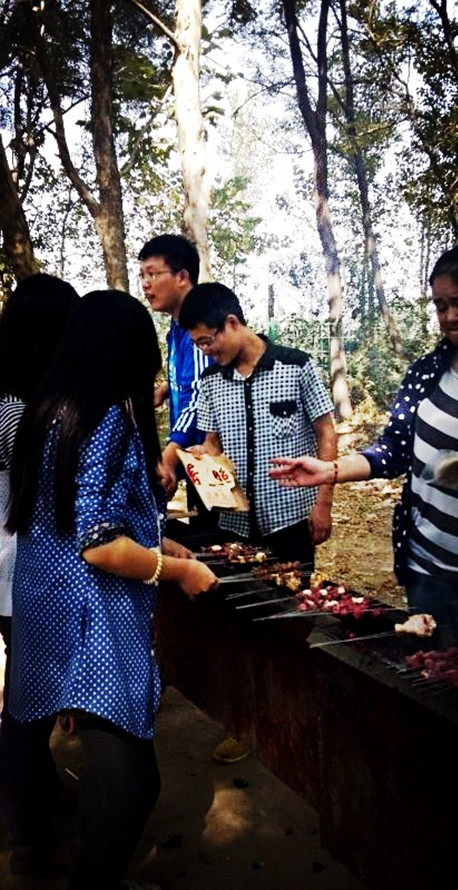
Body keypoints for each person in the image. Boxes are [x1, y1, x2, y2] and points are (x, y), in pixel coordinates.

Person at [3, 290, 218, 889]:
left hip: (43, 608)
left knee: (106, 770)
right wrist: (178, 571)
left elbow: (72, 516)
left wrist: (158, 540)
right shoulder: (105, 419)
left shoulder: (46, 411)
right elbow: (98, 545)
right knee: (134, 786)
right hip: (91, 619)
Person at [270, 243, 458, 648]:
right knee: (434, 670)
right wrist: (330, 471)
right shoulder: (428, 372)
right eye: (440, 305)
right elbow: (394, 450)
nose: (449, 316)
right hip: (428, 567)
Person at [0, 273, 80, 877]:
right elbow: (55, 496)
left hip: (12, 573)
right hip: (14, 574)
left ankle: (42, 795)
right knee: (26, 716)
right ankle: (28, 845)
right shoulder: (16, 412)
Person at [177, 281, 337, 569]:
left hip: (290, 519)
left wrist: (324, 503)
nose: (205, 351)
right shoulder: (211, 381)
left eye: (207, 341)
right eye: (198, 344)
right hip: (234, 524)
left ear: (232, 323)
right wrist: (200, 457)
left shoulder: (297, 367)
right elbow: (212, 444)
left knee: (293, 592)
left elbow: (326, 432)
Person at [138, 234, 217, 535]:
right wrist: (166, 391)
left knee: (217, 540)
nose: (146, 284)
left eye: (153, 274)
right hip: (196, 457)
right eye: (142, 276)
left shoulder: (196, 326)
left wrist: (170, 453)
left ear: (182, 277)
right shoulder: (176, 327)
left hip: (210, 458)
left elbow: (201, 394)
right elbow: (191, 381)